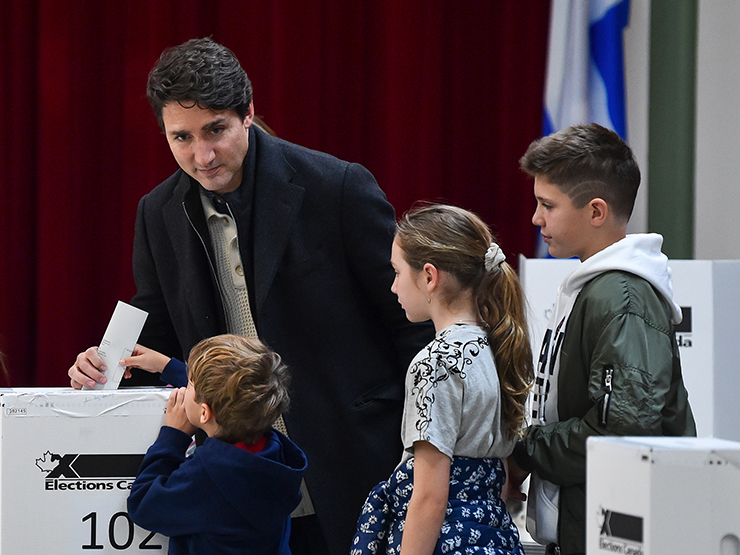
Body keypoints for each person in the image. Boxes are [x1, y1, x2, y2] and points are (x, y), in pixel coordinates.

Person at [68, 37, 433, 555]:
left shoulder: (338, 187)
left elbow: (413, 323)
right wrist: (102, 363)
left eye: (216, 129)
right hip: (239, 484)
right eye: (181, 137)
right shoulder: (158, 213)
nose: (202, 154)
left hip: (351, 465)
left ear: (249, 113)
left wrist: (425, 448)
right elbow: (155, 336)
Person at [506, 123, 696, 555]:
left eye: (546, 205)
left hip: (618, 533)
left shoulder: (621, 297)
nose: (536, 219)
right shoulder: (595, 287)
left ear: (595, 211)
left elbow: (621, 428)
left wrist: (525, 451)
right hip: (587, 525)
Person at [351, 204, 533, 554]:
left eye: (397, 272)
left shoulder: (433, 363)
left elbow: (430, 498)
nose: (393, 287)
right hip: (493, 537)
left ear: (430, 277)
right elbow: (504, 472)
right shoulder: (499, 348)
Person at [127, 334, 306, 555]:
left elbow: (143, 505)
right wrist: (166, 366)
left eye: (189, 383)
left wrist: (173, 436)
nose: (184, 389)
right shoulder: (276, 452)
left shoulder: (207, 476)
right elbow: (229, 394)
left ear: (204, 412)